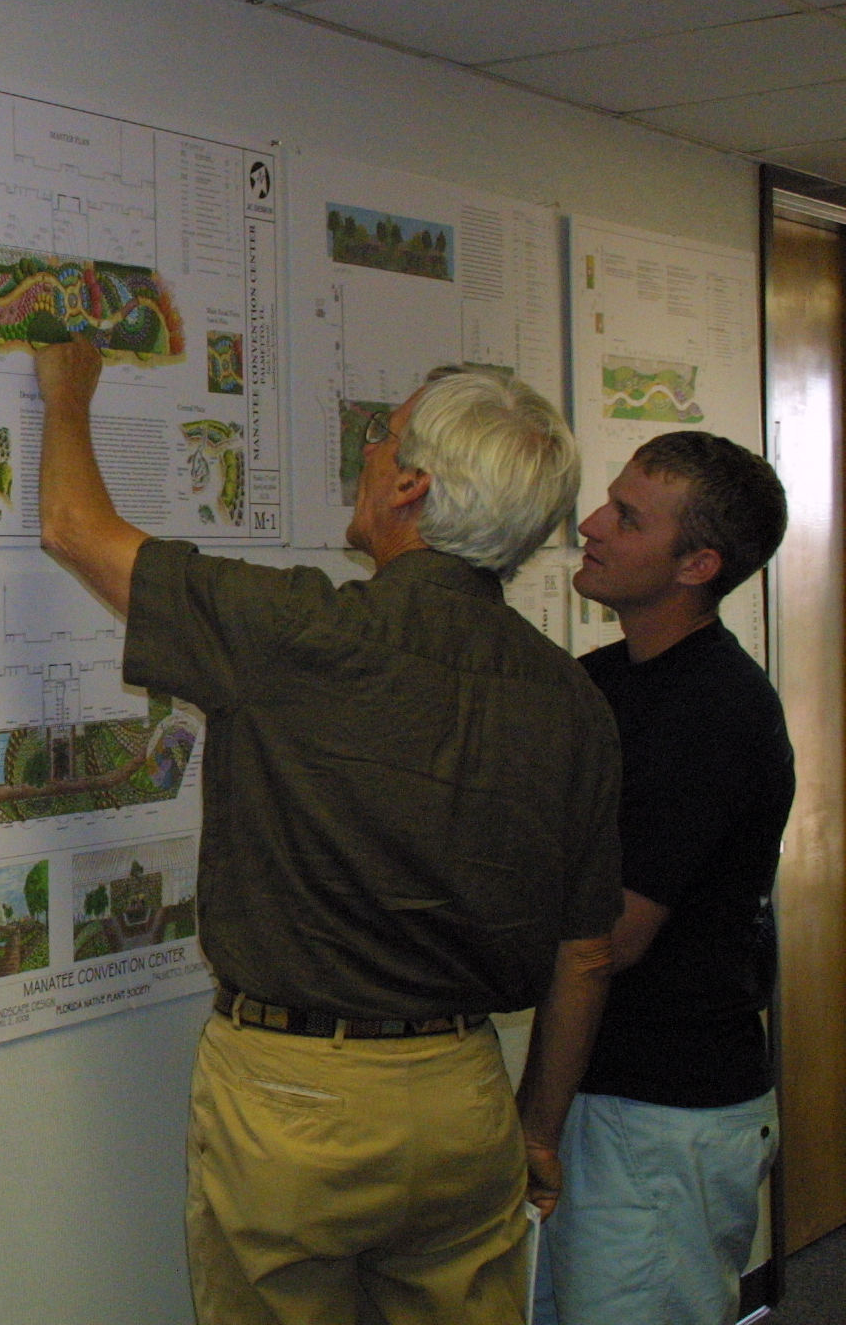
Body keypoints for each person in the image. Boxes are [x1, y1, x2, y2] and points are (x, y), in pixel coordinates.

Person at [35, 341, 623, 1325]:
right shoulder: (572, 699)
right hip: (465, 1095)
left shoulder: (294, 633)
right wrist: (534, 1131)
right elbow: (588, 953)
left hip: (292, 1100)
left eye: (377, 435)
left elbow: (73, 528)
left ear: (409, 484)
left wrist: (66, 395)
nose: (364, 452)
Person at [536, 432, 793, 1325]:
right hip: (601, 1092)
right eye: (607, 500)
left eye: (626, 517)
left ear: (698, 564)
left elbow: (611, 935)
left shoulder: (717, 713)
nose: (591, 525)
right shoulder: (602, 681)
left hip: (664, 1118)